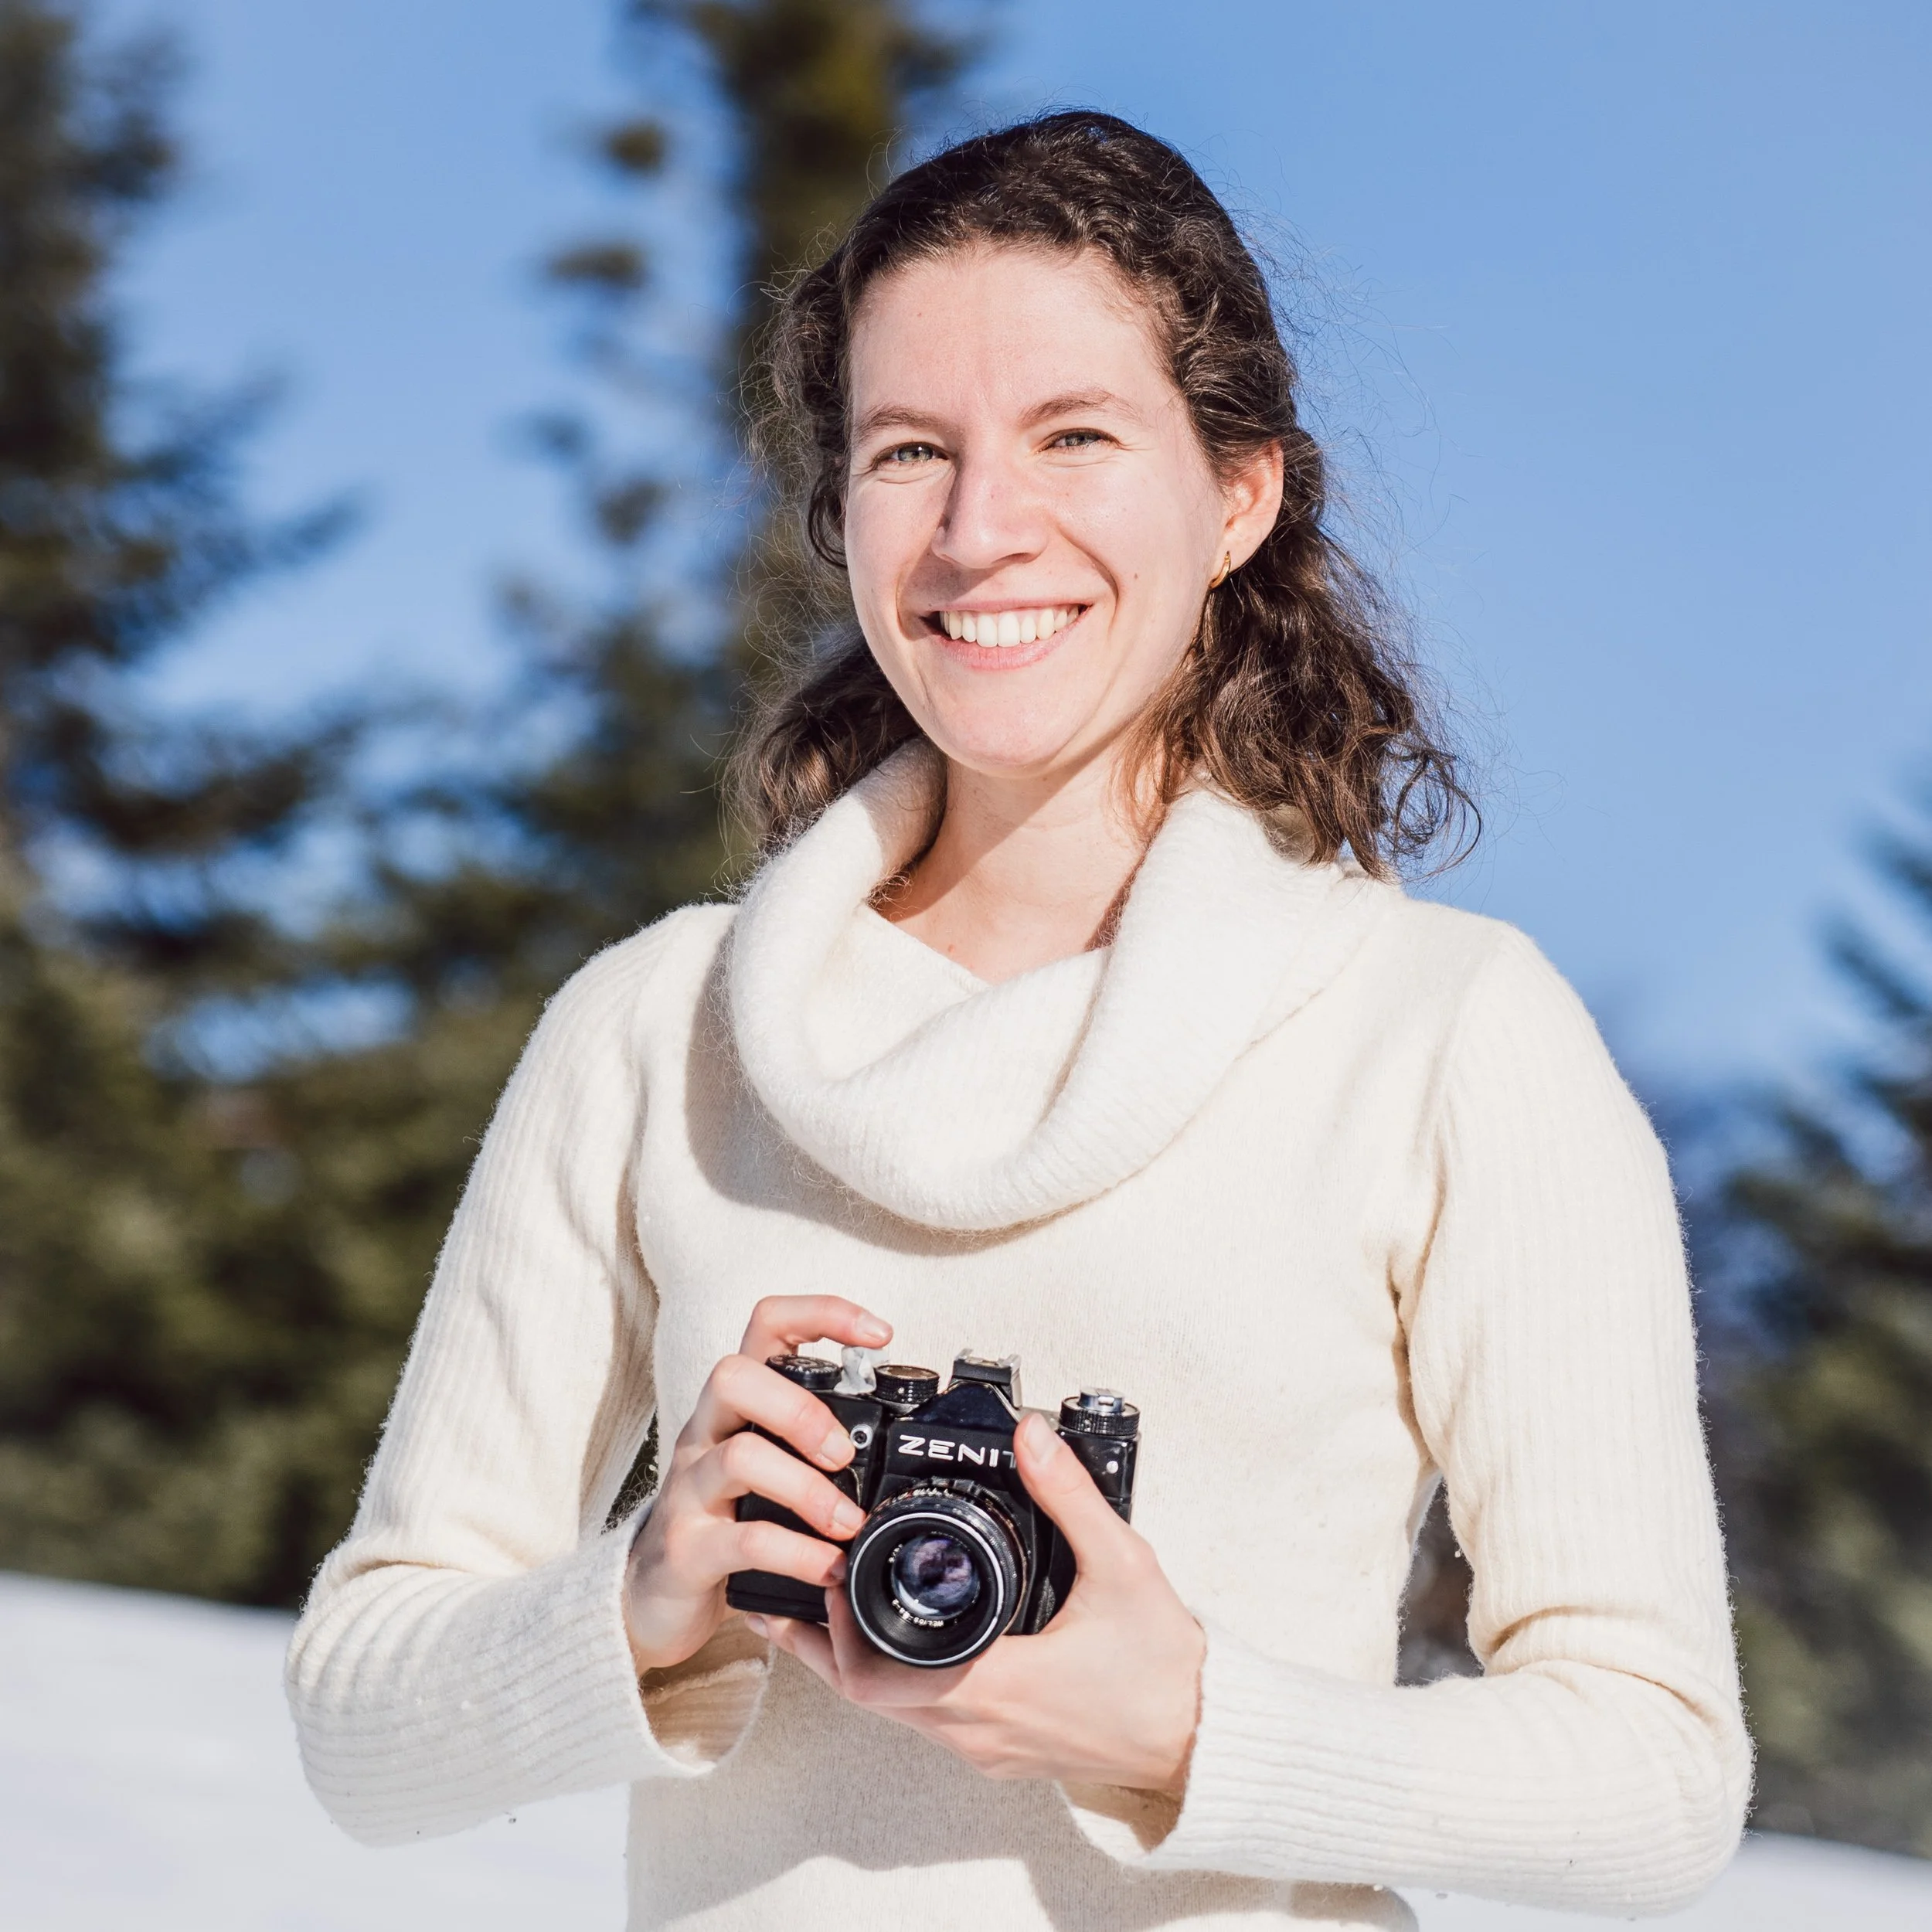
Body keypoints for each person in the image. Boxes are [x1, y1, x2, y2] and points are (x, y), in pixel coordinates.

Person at [286, 112, 1750, 1932]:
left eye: (1074, 435)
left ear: (1237, 495)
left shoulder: (1448, 1040)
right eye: (910, 452)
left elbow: (1658, 1775)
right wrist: (643, 1595)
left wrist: (1190, 1724)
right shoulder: (653, 1030)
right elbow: (358, 1717)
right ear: (840, 514)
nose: (982, 531)